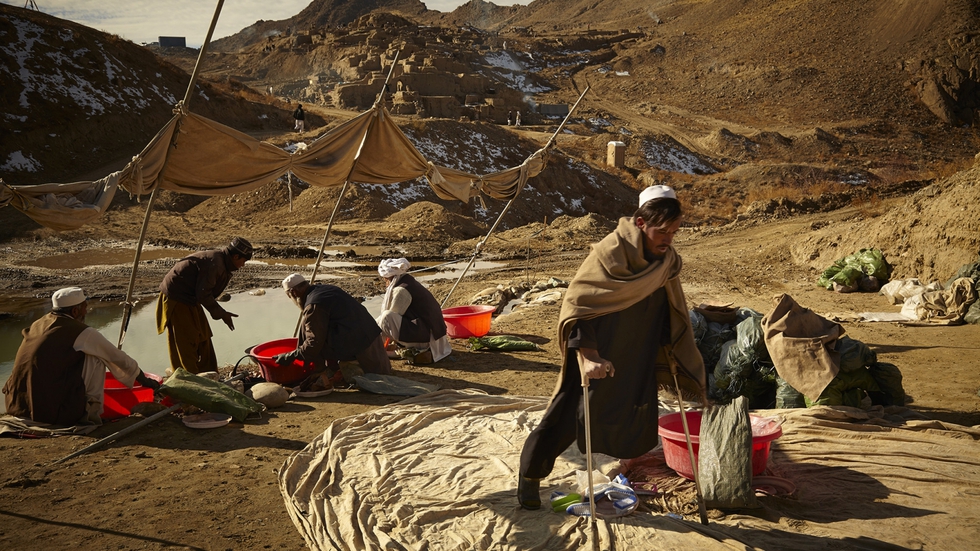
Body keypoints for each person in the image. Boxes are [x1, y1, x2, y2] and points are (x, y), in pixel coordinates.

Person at [516, 184, 707, 509]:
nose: (668, 239)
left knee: (629, 410)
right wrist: (588, 356)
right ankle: (530, 476)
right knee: (567, 415)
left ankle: (614, 462)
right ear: (641, 223)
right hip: (599, 350)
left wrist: (670, 345)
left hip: (639, 349)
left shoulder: (665, 260)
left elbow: (668, 303)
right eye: (662, 231)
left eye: (674, 232)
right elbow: (579, 306)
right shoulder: (609, 254)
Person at [3, 287, 159, 426]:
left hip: (18, 404)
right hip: (51, 412)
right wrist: (143, 379)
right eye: (85, 307)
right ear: (75, 311)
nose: (86, 311)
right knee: (97, 358)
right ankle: (90, 415)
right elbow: (116, 357)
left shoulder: (39, 323)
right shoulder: (81, 332)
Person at [276, 274, 391, 390]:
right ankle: (331, 368)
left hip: (361, 346)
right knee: (307, 328)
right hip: (370, 336)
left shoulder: (314, 304)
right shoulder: (325, 290)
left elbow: (313, 344)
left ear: (294, 293)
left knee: (312, 341)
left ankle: (326, 372)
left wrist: (290, 356)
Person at [156, 237, 252, 375]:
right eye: (243, 261)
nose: (243, 265)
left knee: (203, 335)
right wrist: (222, 313)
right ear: (236, 256)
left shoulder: (221, 262)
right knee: (187, 340)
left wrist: (220, 313)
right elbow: (203, 294)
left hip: (191, 298)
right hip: (176, 298)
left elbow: (203, 294)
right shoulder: (215, 264)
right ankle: (190, 378)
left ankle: (209, 373)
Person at [375, 258, 451, 364]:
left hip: (428, 340)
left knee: (386, 317)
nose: (385, 282)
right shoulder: (409, 282)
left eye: (385, 279)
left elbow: (390, 320)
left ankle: (376, 350)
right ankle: (379, 347)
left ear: (388, 277)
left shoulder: (401, 290)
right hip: (432, 335)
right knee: (382, 320)